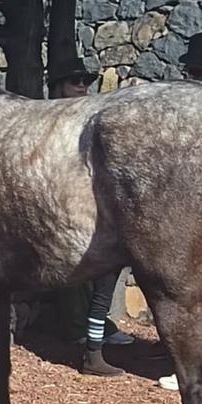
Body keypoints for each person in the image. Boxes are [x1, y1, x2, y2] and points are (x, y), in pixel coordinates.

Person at [47, 57, 135, 377]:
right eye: (75, 80)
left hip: (94, 207)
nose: (83, 86)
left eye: (86, 80)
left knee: (104, 277)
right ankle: (80, 333)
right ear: (57, 86)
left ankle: (94, 339)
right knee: (73, 276)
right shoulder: (48, 122)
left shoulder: (91, 118)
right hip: (58, 210)